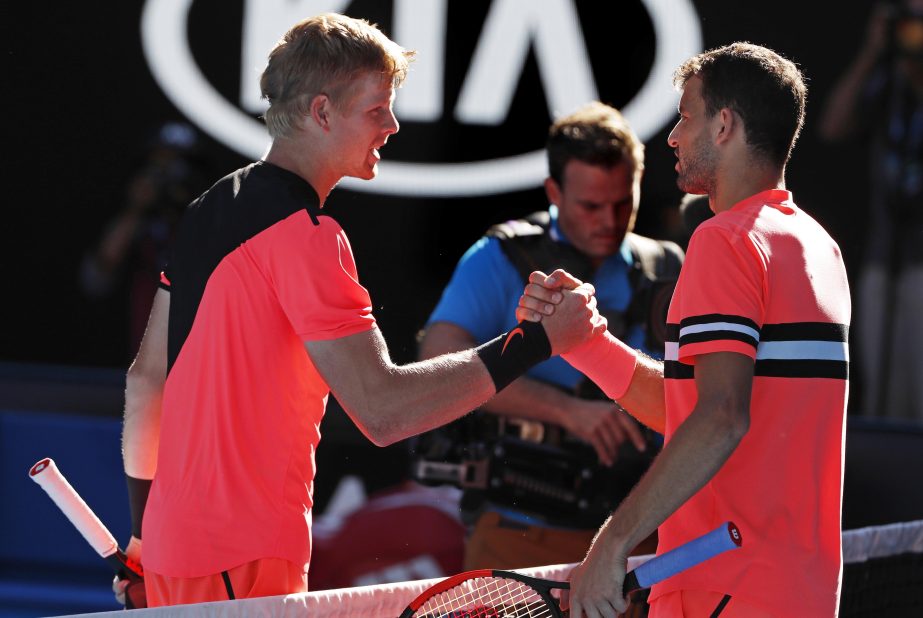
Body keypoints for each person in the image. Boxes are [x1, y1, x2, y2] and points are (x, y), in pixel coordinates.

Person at [117, 13, 603, 608]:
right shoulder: (307, 235)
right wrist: (538, 341)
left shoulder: (210, 207)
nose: (393, 125)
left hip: (177, 547)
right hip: (239, 558)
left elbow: (146, 384)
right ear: (322, 112)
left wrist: (144, 537)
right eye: (377, 110)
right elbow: (384, 411)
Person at [519, 43, 850, 617]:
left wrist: (612, 542)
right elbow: (693, 412)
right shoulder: (817, 246)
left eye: (687, 116)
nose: (672, 135)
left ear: (725, 124)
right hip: (797, 593)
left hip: (725, 588)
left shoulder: (725, 240)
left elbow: (721, 416)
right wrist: (586, 342)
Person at [417, 102, 683, 571]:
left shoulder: (667, 266)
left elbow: (701, 391)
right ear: (553, 191)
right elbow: (438, 363)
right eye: (590, 205)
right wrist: (567, 411)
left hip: (642, 534)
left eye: (624, 202)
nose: (609, 220)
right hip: (520, 532)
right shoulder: (500, 256)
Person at [819, 0, 923, 422]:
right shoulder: (886, 84)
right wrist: (871, 52)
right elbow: (832, 126)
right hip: (885, 258)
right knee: (885, 401)